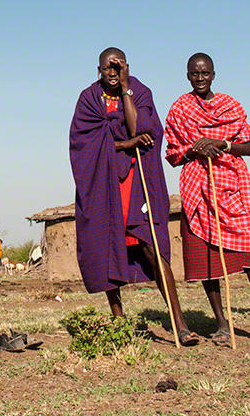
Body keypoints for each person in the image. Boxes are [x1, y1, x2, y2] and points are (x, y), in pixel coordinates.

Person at [166, 53, 250, 343]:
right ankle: (221, 324)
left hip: (231, 186)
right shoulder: (180, 108)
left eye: (205, 73)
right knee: (207, 262)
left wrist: (221, 144)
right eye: (194, 74)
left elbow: (248, 147)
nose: (199, 79)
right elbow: (173, 154)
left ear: (214, 74)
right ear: (188, 76)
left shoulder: (231, 106)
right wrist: (195, 150)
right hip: (197, 189)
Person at [71, 48, 198, 345]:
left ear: (126, 67)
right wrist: (126, 143)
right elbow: (84, 146)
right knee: (105, 251)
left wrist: (127, 88)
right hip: (104, 184)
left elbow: (141, 128)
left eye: (118, 68)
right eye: (107, 68)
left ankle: (179, 323)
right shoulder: (89, 99)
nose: (112, 73)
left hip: (137, 181)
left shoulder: (139, 91)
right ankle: (119, 325)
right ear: (98, 69)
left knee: (150, 245)